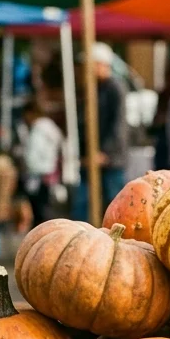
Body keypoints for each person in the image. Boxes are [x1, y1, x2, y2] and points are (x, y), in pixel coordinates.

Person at [72, 42, 130, 220]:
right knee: (84, 204)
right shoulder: (91, 88)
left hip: (110, 159)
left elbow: (118, 124)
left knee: (114, 205)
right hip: (90, 157)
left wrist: (105, 152)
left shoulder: (115, 88)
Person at [21, 98, 64, 226]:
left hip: (39, 174)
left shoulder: (38, 129)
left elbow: (32, 156)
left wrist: (27, 168)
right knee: (46, 210)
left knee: (40, 214)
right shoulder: (51, 127)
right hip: (50, 173)